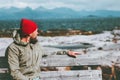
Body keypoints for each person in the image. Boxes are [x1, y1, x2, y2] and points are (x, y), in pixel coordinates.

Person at [5, 18, 78, 80]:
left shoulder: (34, 44)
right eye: (36, 30)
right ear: (29, 33)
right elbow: (14, 72)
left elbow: (48, 51)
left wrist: (66, 52)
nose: (37, 33)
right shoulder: (13, 48)